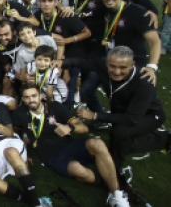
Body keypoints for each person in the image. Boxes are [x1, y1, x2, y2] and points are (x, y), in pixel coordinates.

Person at [53, 46, 171, 184]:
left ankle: (115, 170)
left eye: (123, 67)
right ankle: (165, 139)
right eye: (112, 66)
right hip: (122, 111)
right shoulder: (102, 64)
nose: (117, 71)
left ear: (132, 64)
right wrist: (62, 62)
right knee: (120, 141)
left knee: (120, 132)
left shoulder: (145, 82)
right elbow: (82, 62)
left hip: (150, 116)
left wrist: (96, 116)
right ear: (107, 63)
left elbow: (131, 118)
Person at [13, 84, 130, 207]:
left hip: (69, 145)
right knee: (77, 169)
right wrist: (23, 152)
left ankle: (117, 195)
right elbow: (14, 134)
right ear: (23, 99)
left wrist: (70, 127)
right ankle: (108, 182)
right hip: (51, 156)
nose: (31, 100)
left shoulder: (55, 107)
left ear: (41, 96)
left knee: (97, 143)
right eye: (26, 97)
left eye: (34, 96)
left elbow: (83, 128)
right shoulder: (19, 114)